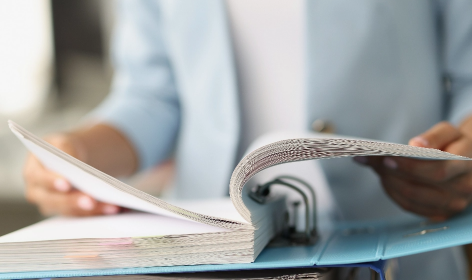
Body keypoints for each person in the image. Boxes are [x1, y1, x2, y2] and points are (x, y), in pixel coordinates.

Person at [22, 0, 472, 279]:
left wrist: (462, 148)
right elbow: (153, 96)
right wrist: (76, 155)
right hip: (214, 257)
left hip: (401, 240)